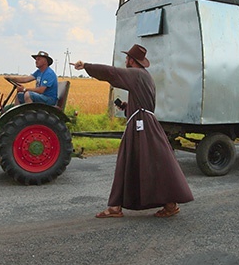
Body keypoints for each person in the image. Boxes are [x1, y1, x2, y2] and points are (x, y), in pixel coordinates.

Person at [72, 44, 194, 218]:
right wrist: (126, 107)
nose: (125, 61)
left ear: (132, 60)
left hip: (141, 125)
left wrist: (86, 66)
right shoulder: (145, 76)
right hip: (144, 122)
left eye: (127, 58)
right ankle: (167, 204)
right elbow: (143, 104)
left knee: (137, 161)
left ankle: (119, 207)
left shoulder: (136, 74)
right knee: (151, 163)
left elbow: (112, 73)